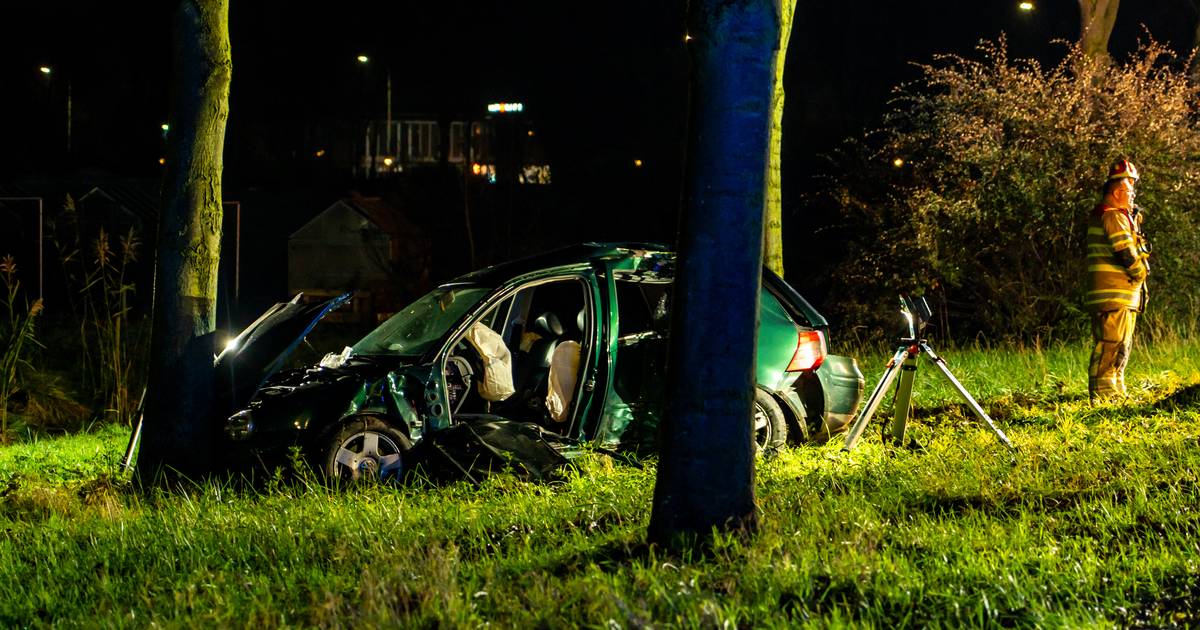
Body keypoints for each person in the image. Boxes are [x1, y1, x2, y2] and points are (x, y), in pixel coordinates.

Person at [1085, 158, 1151, 401]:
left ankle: (1116, 393)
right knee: (1111, 344)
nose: (1133, 195)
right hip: (1113, 294)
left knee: (1121, 347)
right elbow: (1125, 251)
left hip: (1122, 295)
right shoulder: (1112, 216)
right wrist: (1140, 272)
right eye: (1129, 190)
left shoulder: (1119, 215)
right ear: (1116, 192)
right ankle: (1104, 396)